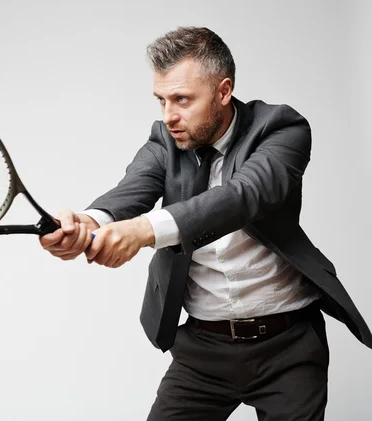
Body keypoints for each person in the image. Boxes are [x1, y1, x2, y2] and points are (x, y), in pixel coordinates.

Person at [39, 26, 372, 420]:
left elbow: (244, 196)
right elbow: (131, 190)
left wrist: (146, 231)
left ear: (223, 91)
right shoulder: (165, 139)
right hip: (203, 350)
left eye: (182, 99)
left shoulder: (282, 130)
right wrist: (87, 221)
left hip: (290, 347)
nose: (169, 116)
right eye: (161, 100)